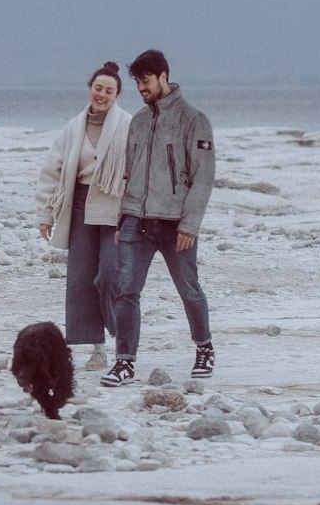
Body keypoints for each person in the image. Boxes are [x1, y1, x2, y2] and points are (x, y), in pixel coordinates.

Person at [101, 49, 215, 387]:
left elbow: (203, 178)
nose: (140, 88)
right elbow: (130, 175)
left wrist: (190, 225)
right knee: (125, 291)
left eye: (145, 81)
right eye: (136, 82)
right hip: (137, 220)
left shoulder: (194, 120)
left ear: (163, 76)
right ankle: (124, 363)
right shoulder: (138, 121)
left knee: (189, 290)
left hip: (175, 223)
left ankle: (204, 348)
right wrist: (124, 219)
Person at [35, 61, 132, 370]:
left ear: (118, 94)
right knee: (80, 280)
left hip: (115, 207)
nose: (102, 94)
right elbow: (53, 169)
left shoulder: (129, 125)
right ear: (90, 88)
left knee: (108, 275)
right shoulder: (73, 127)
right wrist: (45, 213)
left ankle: (121, 333)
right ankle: (97, 347)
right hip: (78, 205)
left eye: (109, 90)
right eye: (98, 88)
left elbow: (137, 171)